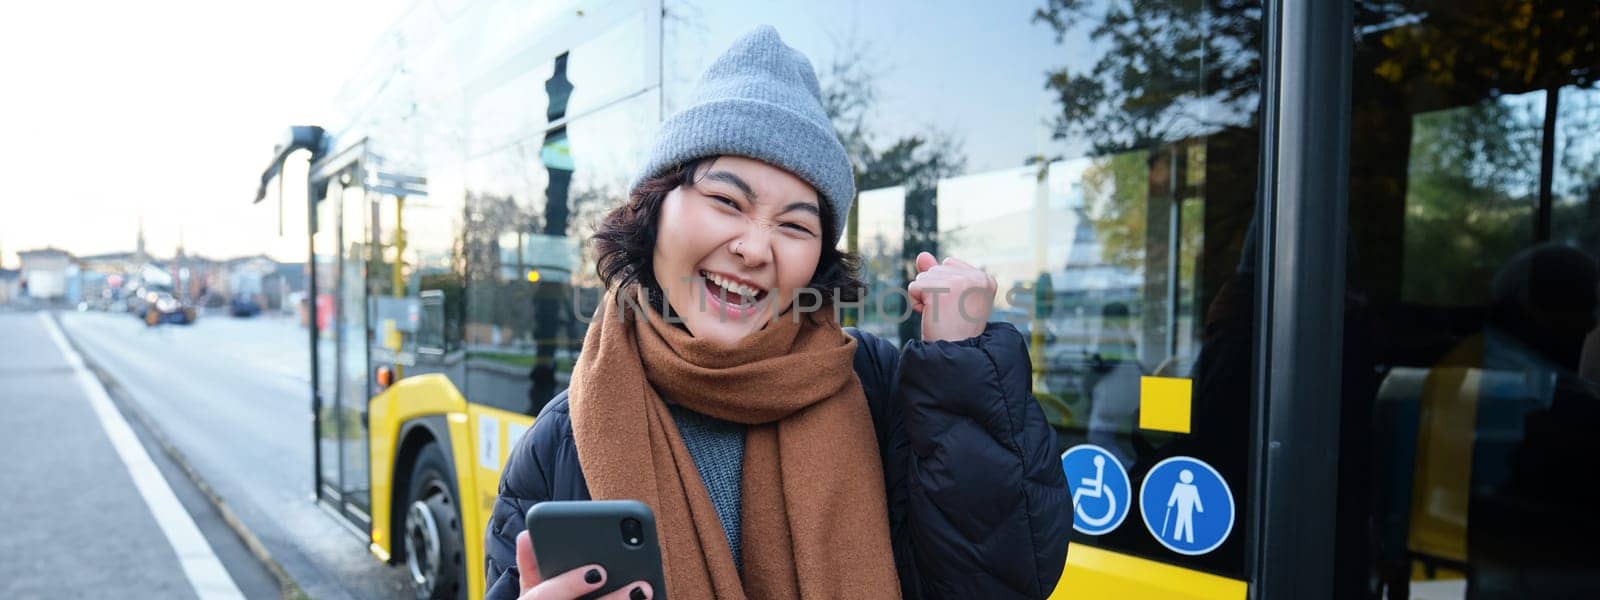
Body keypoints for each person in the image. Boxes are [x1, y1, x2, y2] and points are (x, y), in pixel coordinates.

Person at [482, 26, 1070, 600]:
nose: (756, 248)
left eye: (794, 225)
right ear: (655, 210)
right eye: (725, 201)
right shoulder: (563, 440)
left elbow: (998, 579)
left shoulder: (877, 386)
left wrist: (961, 365)